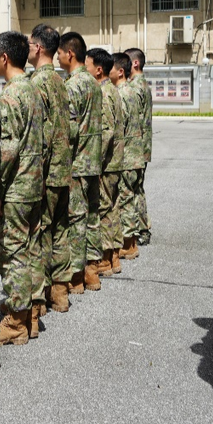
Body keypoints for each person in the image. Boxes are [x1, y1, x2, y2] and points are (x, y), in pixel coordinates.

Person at [0, 31, 45, 344]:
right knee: (28, 250)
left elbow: (7, 150)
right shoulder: (32, 89)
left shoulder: (11, 95)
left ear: (4, 58)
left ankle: (15, 321)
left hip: (16, 188)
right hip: (33, 182)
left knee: (11, 254)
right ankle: (30, 313)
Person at [27, 25, 73, 313]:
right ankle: (61, 291)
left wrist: (36, 174)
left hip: (46, 172)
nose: (28, 47)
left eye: (30, 43)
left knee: (39, 234)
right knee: (60, 230)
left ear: (39, 48)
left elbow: (40, 135)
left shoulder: (37, 83)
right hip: (63, 169)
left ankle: (37, 300)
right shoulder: (59, 81)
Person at [58, 32, 103, 293]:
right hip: (93, 161)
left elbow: (71, 130)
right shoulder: (94, 84)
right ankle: (92, 270)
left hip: (77, 164)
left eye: (60, 53)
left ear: (69, 54)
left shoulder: (72, 86)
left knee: (75, 220)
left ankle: (76, 276)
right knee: (92, 216)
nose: (58, 57)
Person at [85, 48, 126, 278]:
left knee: (103, 209)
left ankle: (106, 257)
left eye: (87, 65)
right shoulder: (112, 90)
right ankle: (112, 257)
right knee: (111, 207)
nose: (85, 68)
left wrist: (96, 163)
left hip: (107, 162)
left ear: (98, 70)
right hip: (115, 160)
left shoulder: (105, 93)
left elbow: (107, 130)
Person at [111, 52, 140, 273]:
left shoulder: (120, 93)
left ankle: (128, 244)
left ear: (120, 71)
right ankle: (131, 241)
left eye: (111, 67)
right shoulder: (132, 90)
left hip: (127, 156)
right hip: (136, 154)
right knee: (130, 198)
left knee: (125, 198)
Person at [124, 47, 153, 250]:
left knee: (131, 192)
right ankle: (142, 229)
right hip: (142, 147)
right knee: (137, 190)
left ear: (135, 63)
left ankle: (137, 231)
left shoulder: (134, 87)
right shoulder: (142, 85)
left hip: (134, 148)